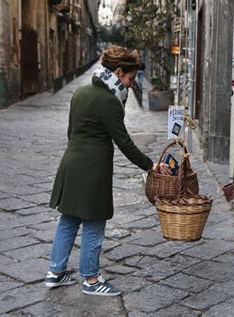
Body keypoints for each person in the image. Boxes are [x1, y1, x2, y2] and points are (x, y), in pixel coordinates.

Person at [45, 45, 169, 296]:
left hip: (71, 162)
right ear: (119, 72)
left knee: (68, 218)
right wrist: (151, 165)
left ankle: (55, 273)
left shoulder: (81, 92)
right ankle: (91, 280)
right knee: (94, 221)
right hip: (93, 169)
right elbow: (124, 142)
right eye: (130, 78)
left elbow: (72, 132)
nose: (130, 84)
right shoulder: (108, 101)